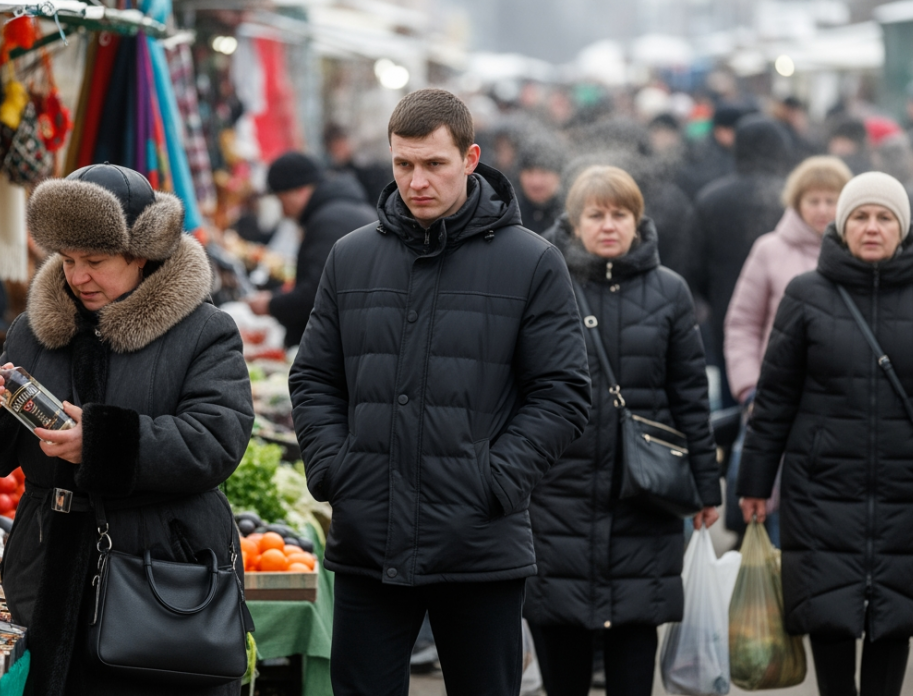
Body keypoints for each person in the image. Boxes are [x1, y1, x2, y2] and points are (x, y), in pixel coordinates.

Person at [289, 88, 591, 696]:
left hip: (479, 542)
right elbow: (314, 376)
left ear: (470, 158)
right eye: (404, 164)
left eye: (434, 164)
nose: (416, 181)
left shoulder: (532, 262)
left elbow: (562, 394)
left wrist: (494, 478)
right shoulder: (351, 258)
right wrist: (334, 468)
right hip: (368, 539)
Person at [0, 164, 253, 696]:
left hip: (156, 574)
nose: (78, 276)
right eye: (67, 260)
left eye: (95, 261)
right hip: (46, 570)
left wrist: (105, 442)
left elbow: (216, 439)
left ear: (142, 253)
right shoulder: (33, 331)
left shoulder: (204, 331)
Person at [738, 172, 913, 696]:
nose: (872, 227)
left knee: (895, 617)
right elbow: (774, 400)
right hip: (821, 487)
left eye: (884, 218)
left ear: (902, 228)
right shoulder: (806, 293)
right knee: (828, 614)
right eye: (860, 216)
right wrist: (753, 485)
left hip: (907, 490)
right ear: (841, 224)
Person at [525, 166, 721, 696]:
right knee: (560, 648)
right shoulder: (542, 280)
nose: (608, 225)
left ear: (638, 221)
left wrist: (706, 486)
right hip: (555, 492)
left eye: (620, 214)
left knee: (633, 650)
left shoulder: (669, 291)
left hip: (643, 494)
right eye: (596, 214)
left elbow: (689, 397)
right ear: (575, 220)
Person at [722, 155, 851, 540]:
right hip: (771, 398)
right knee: (766, 500)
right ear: (797, 203)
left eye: (832, 200)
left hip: (835, 400)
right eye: (814, 200)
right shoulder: (769, 249)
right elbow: (742, 323)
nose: (823, 210)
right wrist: (748, 388)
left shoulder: (858, 250)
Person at [692, 115, 790, 403]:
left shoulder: (711, 198)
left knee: (733, 399)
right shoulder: (791, 198)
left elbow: (693, 267)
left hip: (727, 318)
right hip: (789, 318)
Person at [247, 152, 378, 347]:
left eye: (282, 201)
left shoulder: (328, 220)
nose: (283, 212)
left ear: (299, 191)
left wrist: (271, 304)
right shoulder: (348, 210)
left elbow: (317, 294)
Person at [515, 144, 565, 233]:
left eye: (544, 172)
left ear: (558, 175)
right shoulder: (509, 214)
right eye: (530, 172)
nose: (536, 182)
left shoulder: (568, 217)